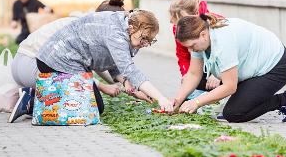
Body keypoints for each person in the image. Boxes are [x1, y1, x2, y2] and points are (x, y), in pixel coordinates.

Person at [10, 8, 173, 122]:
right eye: (143, 38)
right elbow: (130, 69)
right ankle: (32, 101)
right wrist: (161, 98)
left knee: (91, 105)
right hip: (55, 59)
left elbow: (115, 63)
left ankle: (41, 97)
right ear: (131, 28)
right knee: (91, 106)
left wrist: (128, 85)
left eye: (149, 41)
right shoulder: (116, 33)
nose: (145, 43)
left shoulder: (126, 31)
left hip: (69, 62)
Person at [172, 14, 286, 123]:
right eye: (188, 47)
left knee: (234, 113)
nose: (191, 50)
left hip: (275, 67)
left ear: (203, 35)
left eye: (192, 46)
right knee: (200, 83)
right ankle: (247, 97)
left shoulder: (223, 42)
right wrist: (178, 100)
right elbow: (194, 74)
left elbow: (230, 87)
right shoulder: (199, 39)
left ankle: (284, 100)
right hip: (250, 67)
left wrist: (196, 102)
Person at [168, 0, 223, 97]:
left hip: (225, 65)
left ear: (194, 14)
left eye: (177, 18)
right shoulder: (178, 28)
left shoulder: (217, 23)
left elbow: (230, 53)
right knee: (191, 87)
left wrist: (219, 75)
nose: (171, 21)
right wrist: (186, 75)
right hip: (201, 63)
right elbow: (182, 55)